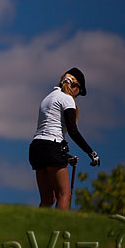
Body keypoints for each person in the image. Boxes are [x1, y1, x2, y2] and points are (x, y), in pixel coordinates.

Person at [29, 67, 101, 210]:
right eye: (78, 93)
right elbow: (73, 131)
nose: (76, 96)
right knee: (64, 195)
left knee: (47, 199)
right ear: (75, 86)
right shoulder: (67, 99)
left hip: (36, 148)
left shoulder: (47, 98)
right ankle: (59, 230)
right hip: (52, 148)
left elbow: (46, 136)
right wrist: (91, 153)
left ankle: (38, 229)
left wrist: (65, 156)